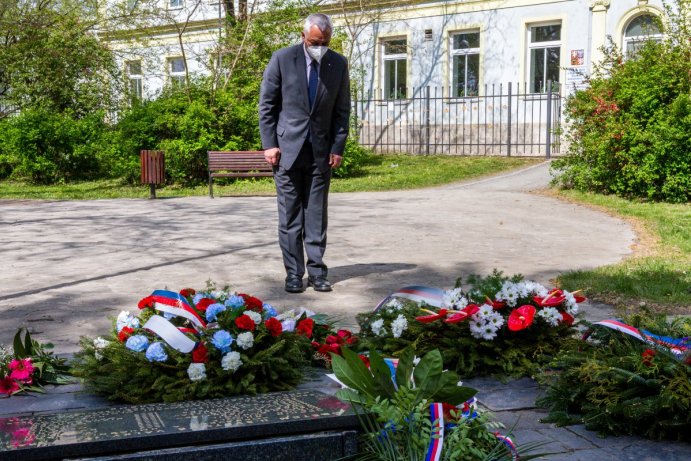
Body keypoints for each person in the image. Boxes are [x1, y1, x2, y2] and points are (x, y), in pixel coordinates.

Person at [259, 13, 350, 293]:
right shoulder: (282, 59)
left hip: (321, 153)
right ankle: (294, 274)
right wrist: (269, 144)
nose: (319, 46)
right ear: (303, 37)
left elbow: (342, 110)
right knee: (290, 216)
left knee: (316, 216)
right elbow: (267, 105)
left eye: (324, 42)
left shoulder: (338, 63)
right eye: (314, 42)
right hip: (286, 151)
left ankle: (318, 272)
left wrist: (337, 147)